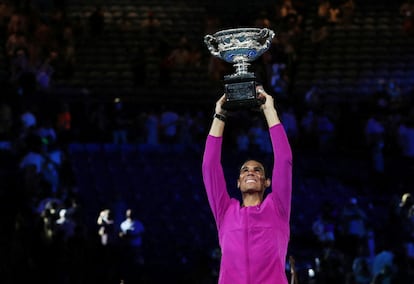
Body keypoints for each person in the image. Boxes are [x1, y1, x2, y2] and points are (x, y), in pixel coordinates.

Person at [202, 86, 293, 283]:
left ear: (267, 182)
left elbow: (284, 159)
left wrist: (269, 111)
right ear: (238, 182)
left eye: (257, 170)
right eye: (245, 170)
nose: (250, 172)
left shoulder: (277, 207)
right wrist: (220, 116)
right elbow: (209, 167)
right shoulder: (225, 211)